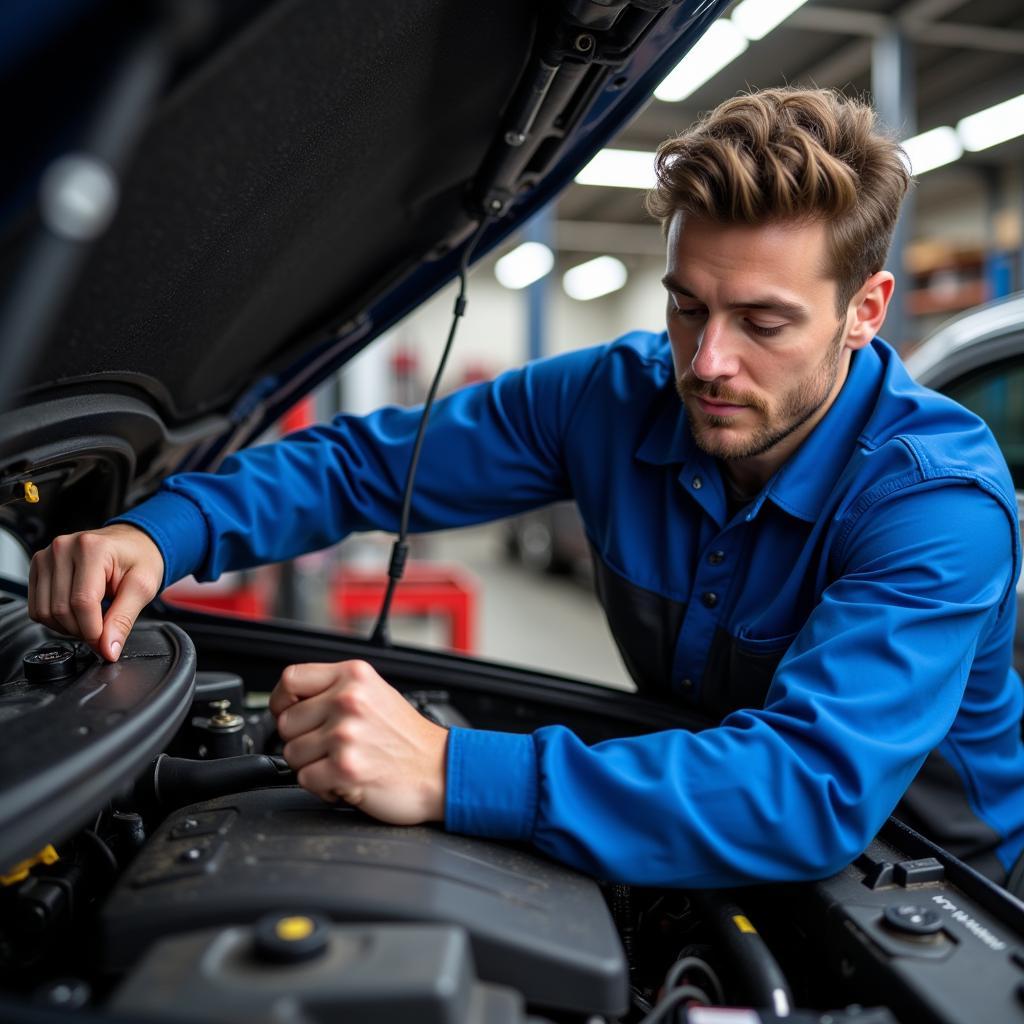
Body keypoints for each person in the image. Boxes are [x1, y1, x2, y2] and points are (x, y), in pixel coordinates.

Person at [27, 88, 1024, 894]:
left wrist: (448, 767)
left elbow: (803, 790)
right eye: (687, 307)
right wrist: (162, 531)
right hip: (703, 836)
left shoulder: (935, 505)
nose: (707, 363)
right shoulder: (613, 397)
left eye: (763, 323)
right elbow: (364, 464)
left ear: (865, 310)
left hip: (946, 904)